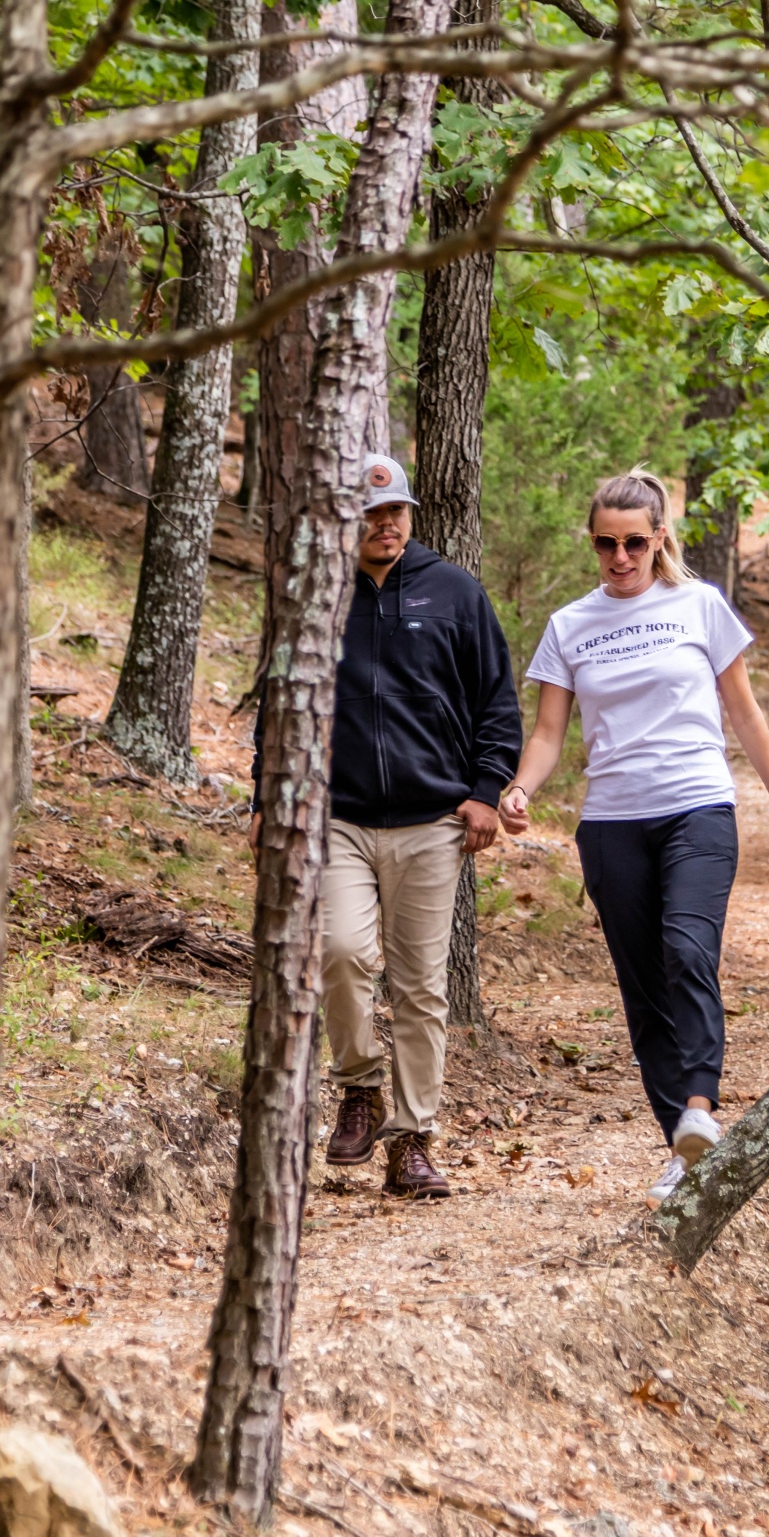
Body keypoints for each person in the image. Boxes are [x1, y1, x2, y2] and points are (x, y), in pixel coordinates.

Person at [497, 470, 769, 1203]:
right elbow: (548, 733)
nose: (620, 557)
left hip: (697, 807)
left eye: (635, 542)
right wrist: (519, 788)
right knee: (643, 988)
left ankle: (701, 1104)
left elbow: (747, 714)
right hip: (610, 825)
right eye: (605, 543)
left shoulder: (699, 605)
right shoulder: (571, 624)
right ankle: (684, 1144)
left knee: (687, 946)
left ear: (660, 537)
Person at [252, 453, 522, 1198]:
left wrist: (485, 791)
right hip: (336, 816)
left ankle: (413, 1140)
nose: (388, 524)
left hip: (433, 820)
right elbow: (279, 706)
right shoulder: (317, 594)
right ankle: (360, 1085)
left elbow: (497, 701)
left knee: (420, 986)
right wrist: (263, 799)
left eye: (396, 509)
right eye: (372, 514)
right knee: (338, 951)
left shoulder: (454, 592)